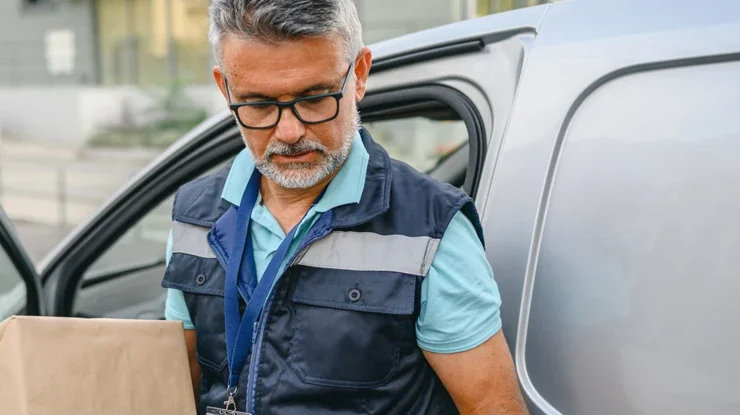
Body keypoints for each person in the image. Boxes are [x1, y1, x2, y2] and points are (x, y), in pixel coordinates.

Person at [159, 0, 529, 414]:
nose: (290, 131)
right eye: (260, 105)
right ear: (225, 89)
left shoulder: (431, 230)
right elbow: (177, 391)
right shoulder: (193, 216)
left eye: (315, 98)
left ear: (360, 74)